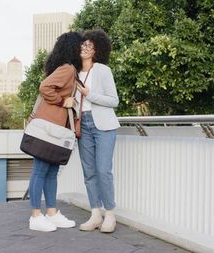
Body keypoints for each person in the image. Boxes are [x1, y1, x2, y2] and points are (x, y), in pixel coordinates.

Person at [28, 32, 83, 232]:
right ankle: (35, 216)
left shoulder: (67, 69)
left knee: (51, 172)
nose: (82, 50)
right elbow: (45, 87)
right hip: (49, 128)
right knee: (41, 170)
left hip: (55, 129)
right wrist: (62, 101)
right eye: (80, 46)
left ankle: (51, 213)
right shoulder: (68, 69)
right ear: (73, 48)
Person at [76, 30, 120, 233]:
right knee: (89, 172)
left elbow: (114, 100)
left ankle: (110, 213)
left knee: (103, 170)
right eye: (83, 45)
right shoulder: (73, 72)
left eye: (89, 46)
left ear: (97, 50)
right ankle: (95, 213)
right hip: (82, 124)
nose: (84, 48)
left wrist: (89, 94)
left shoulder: (102, 70)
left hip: (103, 125)